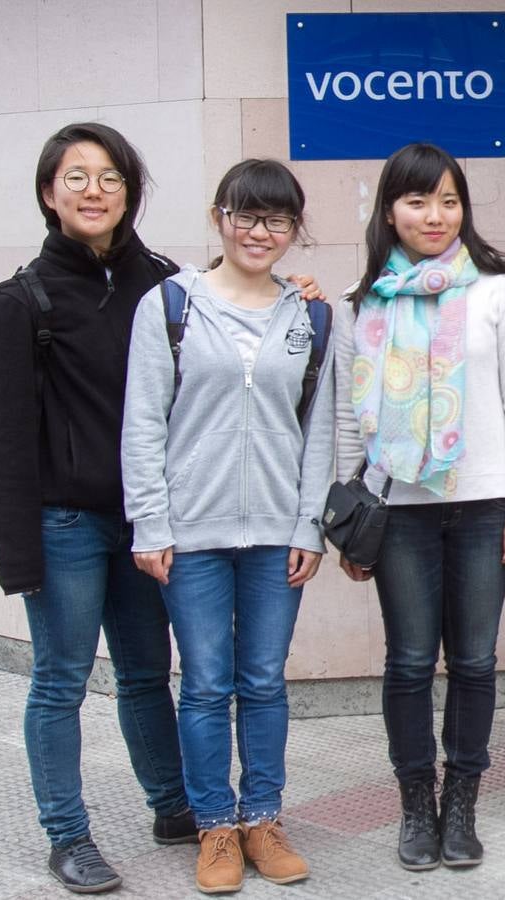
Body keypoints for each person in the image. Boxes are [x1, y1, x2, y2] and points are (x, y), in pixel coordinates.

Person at [0, 121, 193, 894]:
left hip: (146, 521)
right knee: (61, 680)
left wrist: (296, 294)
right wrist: (19, 558)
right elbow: (6, 439)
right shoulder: (18, 302)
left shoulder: (168, 287)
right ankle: (67, 836)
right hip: (63, 523)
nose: (94, 190)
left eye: (110, 177)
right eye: (77, 177)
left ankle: (174, 808)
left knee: (147, 673)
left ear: (129, 192)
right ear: (49, 193)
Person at [119, 159, 329, 893]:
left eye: (276, 220)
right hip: (192, 533)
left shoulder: (310, 316)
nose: (258, 232)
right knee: (206, 684)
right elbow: (143, 422)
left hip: (276, 532)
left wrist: (309, 526)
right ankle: (214, 826)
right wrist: (151, 523)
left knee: (264, 681)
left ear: (293, 229)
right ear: (219, 218)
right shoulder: (170, 306)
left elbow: (319, 430)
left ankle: (263, 819)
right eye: (245, 216)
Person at [332, 142, 505, 872]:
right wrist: (349, 517)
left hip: (483, 507)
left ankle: (463, 805)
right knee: (411, 662)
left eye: (449, 201)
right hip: (400, 511)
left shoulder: (498, 292)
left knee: (476, 662)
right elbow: (345, 419)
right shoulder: (362, 303)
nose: (435, 215)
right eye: (418, 201)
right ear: (390, 210)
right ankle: (416, 803)